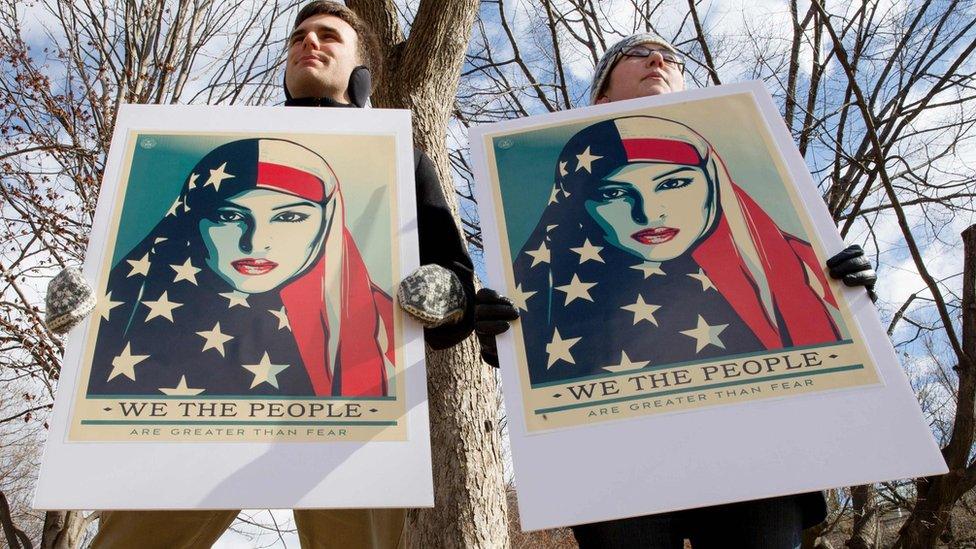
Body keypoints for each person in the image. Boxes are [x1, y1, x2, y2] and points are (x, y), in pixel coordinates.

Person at [42, 2, 513, 547]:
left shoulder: (398, 155)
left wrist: (449, 297)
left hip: (349, 397)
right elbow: (132, 266)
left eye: (328, 36)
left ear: (361, 69)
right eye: (298, 37)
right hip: (183, 397)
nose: (309, 43)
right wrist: (91, 306)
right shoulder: (214, 145)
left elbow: (451, 280)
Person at [563, 33, 877, 549]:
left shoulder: (776, 241)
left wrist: (845, 292)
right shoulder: (560, 240)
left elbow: (825, 336)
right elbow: (544, 345)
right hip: (618, 460)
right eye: (635, 55)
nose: (658, 59)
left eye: (674, 183)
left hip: (760, 457)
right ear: (601, 97)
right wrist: (500, 331)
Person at [516, 115, 846, 385]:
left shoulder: (797, 264)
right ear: (577, 205)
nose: (647, 213)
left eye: (672, 183)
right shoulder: (550, 291)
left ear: (713, 183)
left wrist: (854, 303)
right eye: (613, 194)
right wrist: (509, 338)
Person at [87, 138, 395, 397]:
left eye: (289, 217)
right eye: (229, 217)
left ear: (327, 222)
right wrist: (80, 326)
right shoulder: (131, 309)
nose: (255, 242)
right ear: (193, 219)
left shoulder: (384, 326)